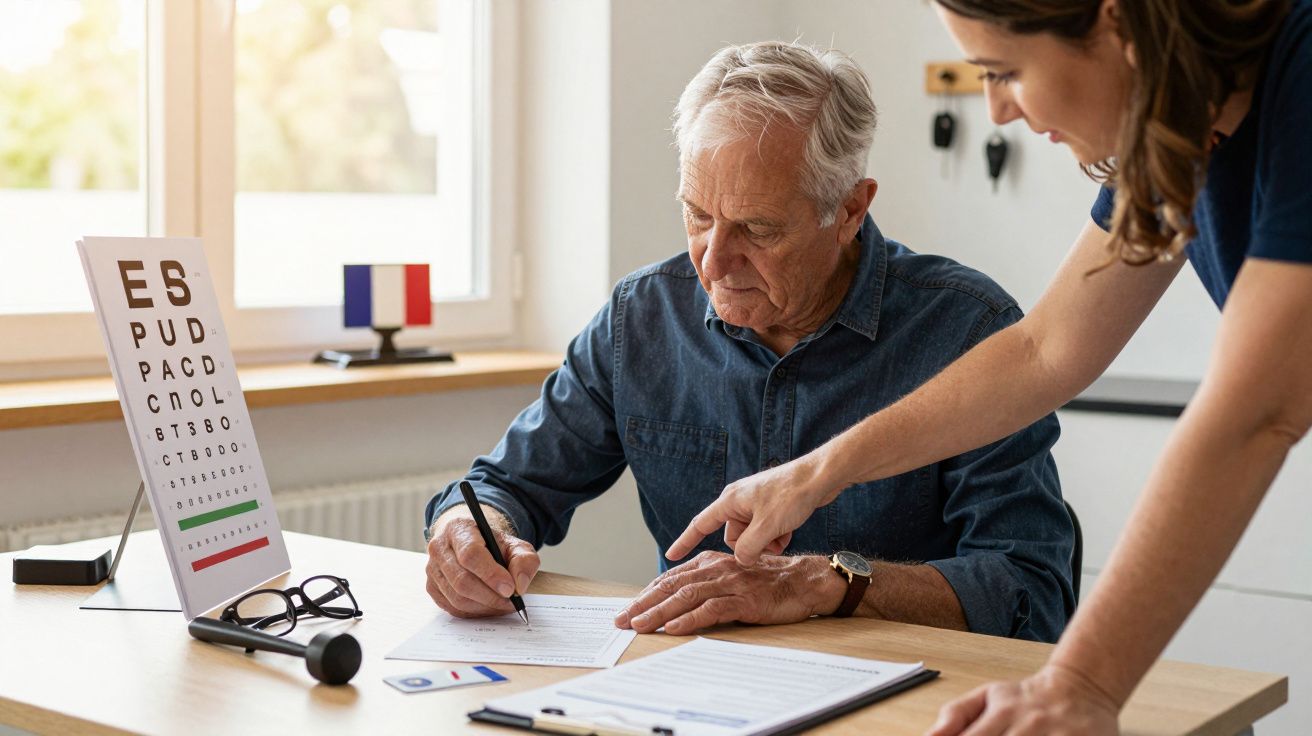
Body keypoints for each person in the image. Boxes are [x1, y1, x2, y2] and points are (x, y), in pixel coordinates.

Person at [667, 1, 1312, 733]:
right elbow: (1045, 350)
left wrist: (1082, 684)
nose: (998, 110)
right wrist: (815, 475)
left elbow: (1256, 412)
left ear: (1118, 26)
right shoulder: (1177, 125)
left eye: (1004, 71)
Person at [423, 40, 1076, 643]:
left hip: (910, 692)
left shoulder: (966, 330)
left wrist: (823, 583)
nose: (713, 262)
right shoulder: (642, 318)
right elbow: (503, 486)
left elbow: (1032, 592)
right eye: (697, 215)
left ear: (850, 210)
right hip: (696, 689)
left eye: (757, 229)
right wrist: (468, 534)